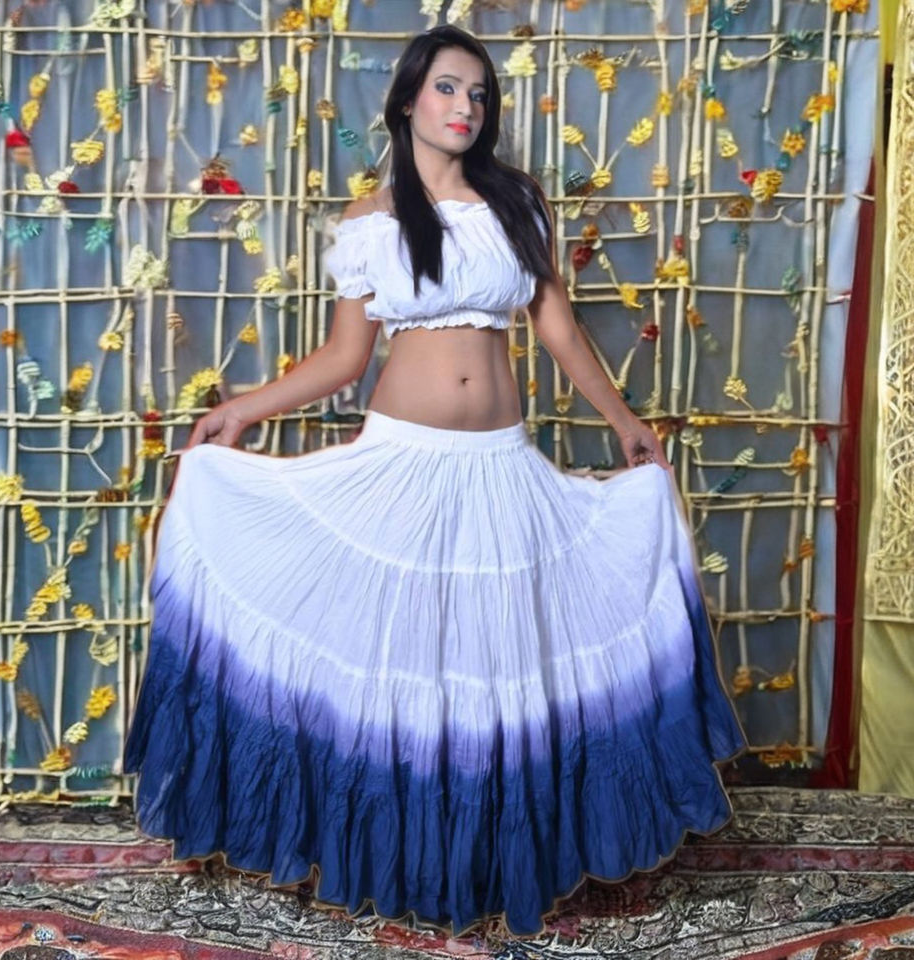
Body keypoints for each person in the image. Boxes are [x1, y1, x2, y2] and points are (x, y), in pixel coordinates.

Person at [124, 24, 746, 940]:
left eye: (479, 94)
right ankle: (401, 865)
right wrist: (243, 410)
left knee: (493, 675)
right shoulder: (371, 221)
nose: (466, 107)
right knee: (407, 674)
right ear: (409, 99)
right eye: (449, 88)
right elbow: (343, 360)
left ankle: (490, 868)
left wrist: (625, 422)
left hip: (500, 469)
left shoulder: (516, 203)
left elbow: (557, 328)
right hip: (400, 467)